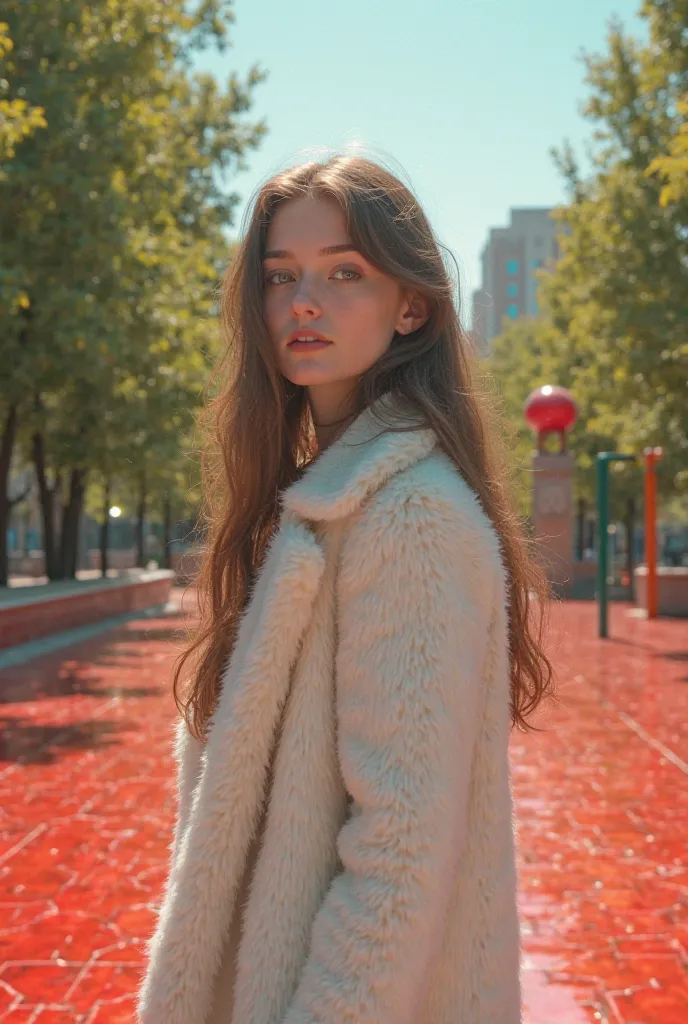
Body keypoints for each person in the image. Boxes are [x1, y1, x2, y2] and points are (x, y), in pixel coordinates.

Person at [136, 154, 555, 1024]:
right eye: (281, 276)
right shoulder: (320, 498)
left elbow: (398, 858)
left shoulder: (409, 518)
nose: (304, 302)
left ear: (413, 306)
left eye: (344, 272)